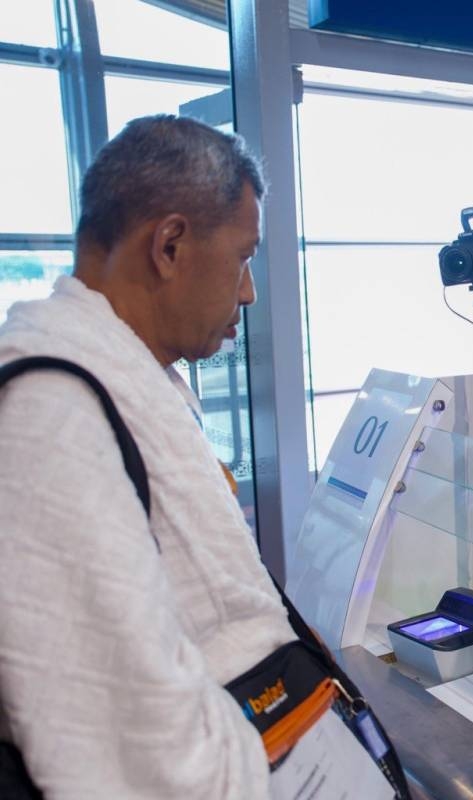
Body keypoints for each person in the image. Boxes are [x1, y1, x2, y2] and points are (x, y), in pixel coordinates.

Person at [0, 116, 295, 798]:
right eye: (243, 257)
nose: (248, 292)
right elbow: (126, 739)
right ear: (169, 246)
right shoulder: (49, 413)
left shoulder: (130, 379)